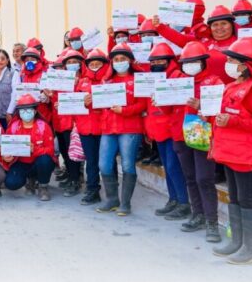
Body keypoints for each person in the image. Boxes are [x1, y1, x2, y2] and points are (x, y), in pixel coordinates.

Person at [211, 37, 252, 264]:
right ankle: (238, 241)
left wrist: (233, 122)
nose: (227, 63)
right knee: (234, 197)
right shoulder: (231, 87)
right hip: (229, 152)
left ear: (246, 64)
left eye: (231, 60)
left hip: (245, 155)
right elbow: (226, 116)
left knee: (247, 199)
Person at [173, 41, 224, 242]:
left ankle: (212, 222)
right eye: (187, 62)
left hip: (204, 134)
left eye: (195, 61)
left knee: (205, 178)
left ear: (203, 62)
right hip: (181, 133)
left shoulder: (214, 82)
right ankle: (198, 214)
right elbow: (168, 109)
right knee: (190, 176)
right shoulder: (177, 82)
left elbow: (221, 109)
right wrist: (159, 100)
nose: (190, 65)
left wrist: (201, 105)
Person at [96, 43, 147, 216]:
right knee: (104, 164)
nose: (119, 62)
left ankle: (125, 203)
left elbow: (142, 105)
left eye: (123, 59)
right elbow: (100, 106)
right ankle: (112, 199)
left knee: (127, 164)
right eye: (116, 59)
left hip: (130, 128)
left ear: (130, 61)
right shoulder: (106, 81)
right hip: (108, 129)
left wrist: (124, 111)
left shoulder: (139, 79)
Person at [145, 43, 191, 220]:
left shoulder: (179, 78)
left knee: (174, 167)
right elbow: (148, 107)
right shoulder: (151, 79)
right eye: (154, 60)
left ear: (170, 60)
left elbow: (179, 105)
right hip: (159, 130)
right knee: (168, 167)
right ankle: (174, 199)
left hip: (174, 129)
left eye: (161, 59)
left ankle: (183, 202)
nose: (157, 63)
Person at [153, 5, 238, 84]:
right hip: (208, 93)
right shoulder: (202, 42)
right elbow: (180, 38)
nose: (219, 28)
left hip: (233, 93)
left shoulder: (239, 42)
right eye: (215, 25)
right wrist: (160, 27)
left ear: (231, 25)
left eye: (224, 23)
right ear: (210, 27)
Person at [4, 94, 55, 201]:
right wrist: (6, 155)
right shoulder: (13, 127)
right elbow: (7, 146)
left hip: (38, 162)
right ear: (18, 112)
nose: (25, 113)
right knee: (11, 183)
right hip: (20, 162)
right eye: (22, 110)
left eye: (29, 110)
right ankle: (29, 180)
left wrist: (34, 149)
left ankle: (43, 186)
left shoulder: (43, 126)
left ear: (35, 111)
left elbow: (50, 150)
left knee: (45, 160)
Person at [77, 48, 110, 205]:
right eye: (92, 64)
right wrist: (82, 102)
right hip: (86, 128)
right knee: (91, 161)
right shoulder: (82, 82)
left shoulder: (110, 81)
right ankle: (92, 189)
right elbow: (74, 102)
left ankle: (112, 192)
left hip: (105, 128)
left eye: (98, 63)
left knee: (106, 161)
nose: (95, 66)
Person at [50, 49, 85, 197]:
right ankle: (71, 177)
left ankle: (75, 181)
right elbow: (56, 98)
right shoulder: (61, 79)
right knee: (65, 152)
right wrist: (52, 97)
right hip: (60, 121)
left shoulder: (85, 79)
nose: (72, 65)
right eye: (69, 63)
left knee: (73, 154)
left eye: (75, 62)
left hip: (74, 123)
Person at [7, 48, 52, 123]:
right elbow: (16, 92)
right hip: (26, 114)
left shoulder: (45, 74)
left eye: (32, 59)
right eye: (27, 60)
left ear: (38, 60)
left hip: (43, 114)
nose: (29, 62)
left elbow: (52, 94)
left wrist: (47, 98)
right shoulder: (21, 75)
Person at [0, 49, 18, 129]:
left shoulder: (14, 73)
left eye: (3, 58)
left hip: (9, 115)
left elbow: (15, 94)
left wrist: (10, 112)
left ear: (7, 60)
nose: (0, 61)